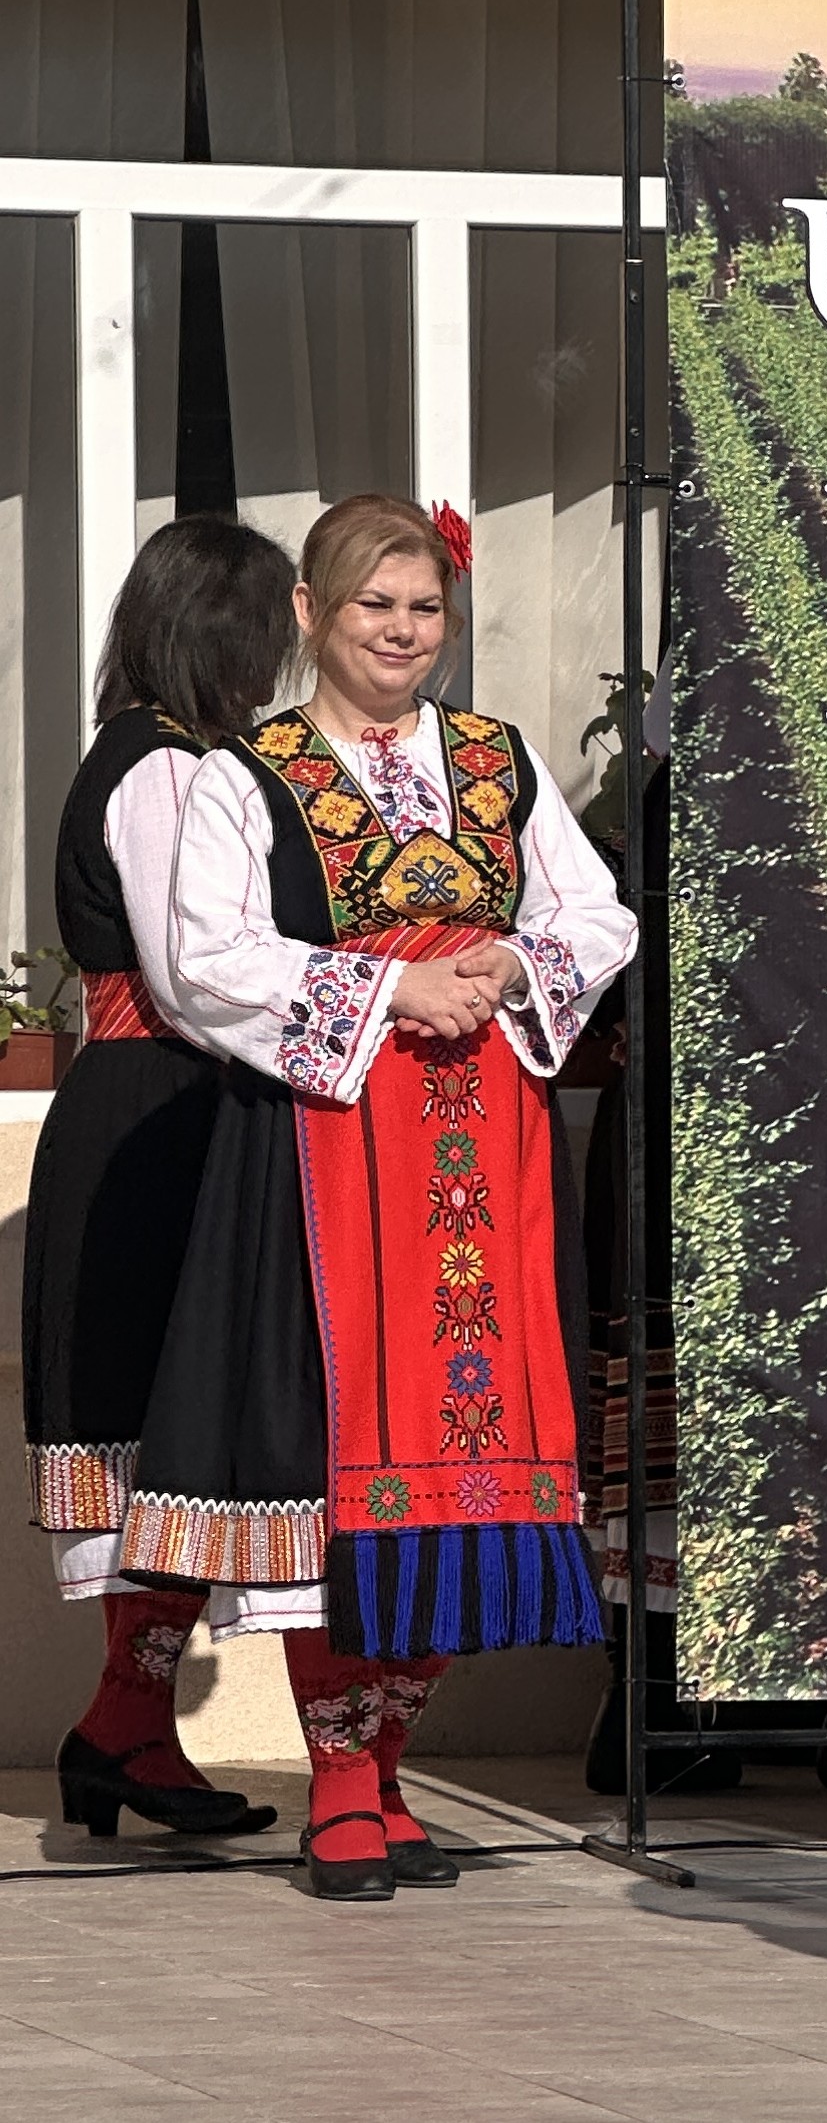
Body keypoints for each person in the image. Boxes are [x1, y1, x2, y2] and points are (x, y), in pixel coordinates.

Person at [126, 494, 637, 1898]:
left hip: (488, 1149)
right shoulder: (251, 774)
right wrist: (391, 986)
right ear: (310, 613)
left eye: (423, 609)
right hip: (326, 1149)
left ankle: (391, 1763)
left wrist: (516, 966)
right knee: (338, 1453)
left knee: (478, 1451)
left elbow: (594, 911)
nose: (403, 632)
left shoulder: (498, 757)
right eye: (375, 605)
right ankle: (341, 1779)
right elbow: (202, 957)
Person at [24, 515, 299, 1842]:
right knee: (171, 1415)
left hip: (155, 1098)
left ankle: (122, 1730)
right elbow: (200, 971)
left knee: (167, 1428)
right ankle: (124, 1728)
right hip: (166, 1106)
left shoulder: (145, 753)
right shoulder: (170, 769)